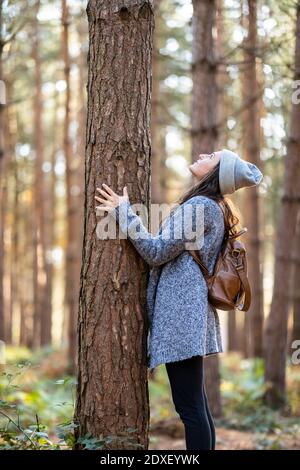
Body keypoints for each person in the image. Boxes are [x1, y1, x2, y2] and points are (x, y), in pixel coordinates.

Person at [94, 149, 263, 450]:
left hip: (182, 313)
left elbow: (156, 252)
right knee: (196, 404)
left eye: (211, 155)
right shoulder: (217, 207)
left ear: (217, 172)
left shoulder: (201, 206)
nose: (202, 154)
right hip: (188, 312)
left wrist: (124, 211)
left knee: (190, 407)